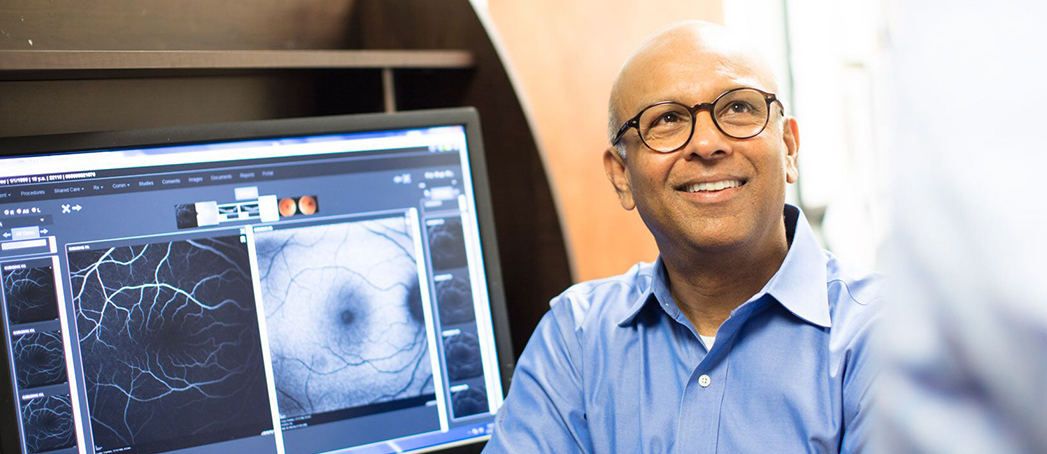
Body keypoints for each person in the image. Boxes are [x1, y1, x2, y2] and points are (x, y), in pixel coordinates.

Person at [483, 20, 882, 453]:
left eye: (739, 109)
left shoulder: (885, 336)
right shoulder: (576, 337)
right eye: (668, 119)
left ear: (788, 148)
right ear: (621, 176)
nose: (708, 143)